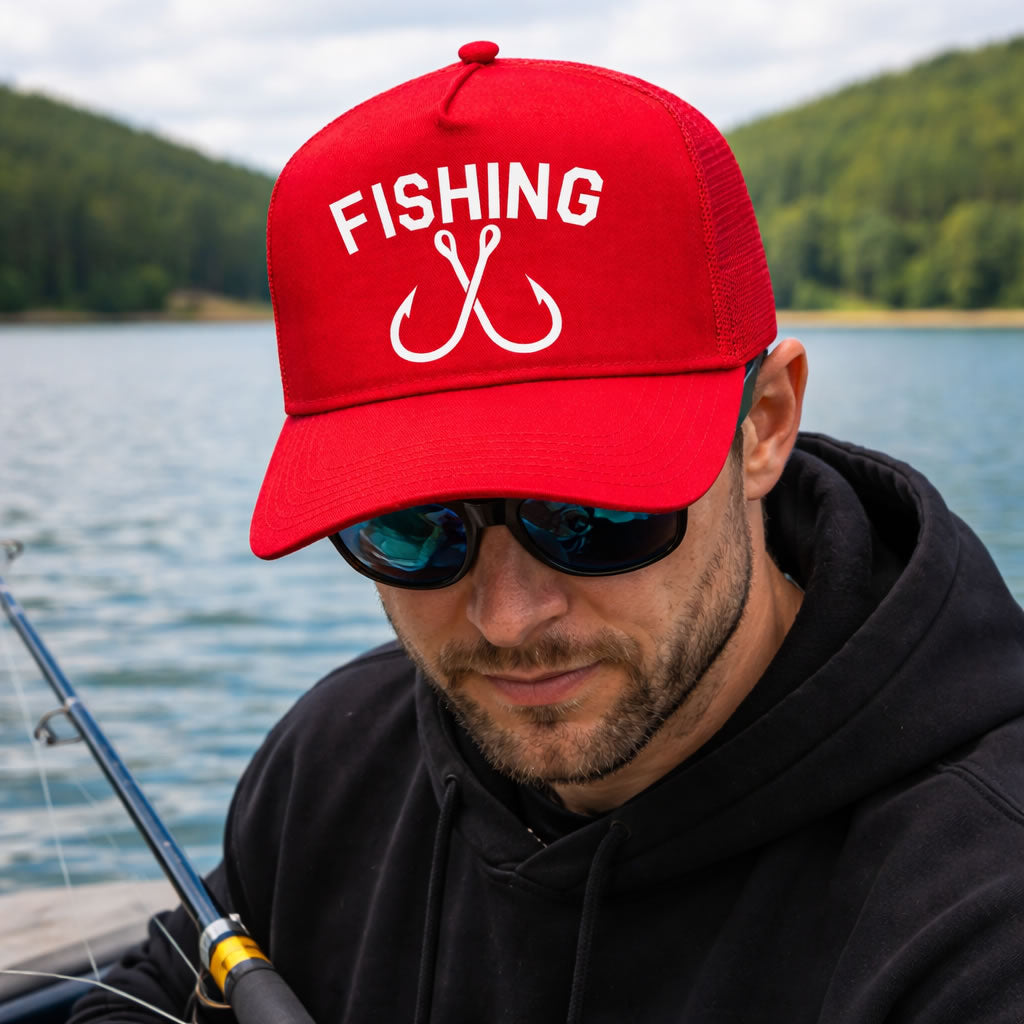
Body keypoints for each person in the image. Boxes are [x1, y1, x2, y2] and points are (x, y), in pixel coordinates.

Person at [71, 41, 1024, 1024]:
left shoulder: (982, 910)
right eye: (414, 527)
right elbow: (147, 998)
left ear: (765, 426)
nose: (507, 617)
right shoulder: (337, 760)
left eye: (591, 515)